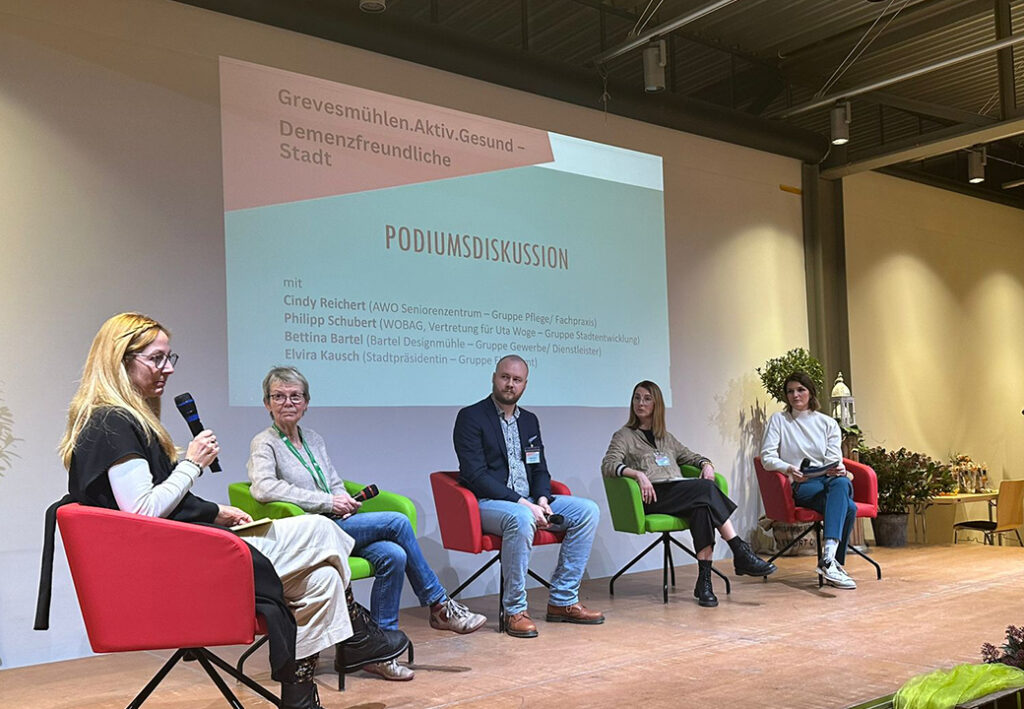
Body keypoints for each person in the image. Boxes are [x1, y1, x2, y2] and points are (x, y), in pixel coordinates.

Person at [55, 313, 409, 709]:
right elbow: (143, 511)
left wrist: (213, 512)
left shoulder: (118, 419)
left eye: (171, 358)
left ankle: (300, 695)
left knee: (323, 580)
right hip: (172, 571)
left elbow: (152, 505)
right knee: (321, 531)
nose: (168, 369)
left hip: (179, 553)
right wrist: (192, 464)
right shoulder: (111, 421)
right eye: (156, 359)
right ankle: (360, 635)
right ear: (120, 359)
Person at [248, 366, 487, 681]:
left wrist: (342, 501)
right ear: (267, 404)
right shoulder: (264, 442)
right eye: (278, 397)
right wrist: (327, 502)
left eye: (295, 396)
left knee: (393, 555)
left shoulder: (314, 438)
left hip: (336, 522)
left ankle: (380, 651)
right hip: (309, 533)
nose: (287, 402)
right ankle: (439, 604)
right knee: (398, 522)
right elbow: (264, 488)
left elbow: (332, 482)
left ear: (306, 402)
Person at [452, 354, 604, 638]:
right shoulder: (471, 417)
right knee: (521, 517)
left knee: (587, 510)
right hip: (487, 505)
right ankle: (515, 611)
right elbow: (476, 476)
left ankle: (563, 600)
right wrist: (525, 504)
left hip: (530, 502)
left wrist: (543, 500)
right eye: (505, 377)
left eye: (517, 380)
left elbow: (539, 469)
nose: (510, 384)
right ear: (494, 377)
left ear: (525, 384)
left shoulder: (530, 421)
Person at [601, 380, 776, 607]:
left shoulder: (666, 437)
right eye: (636, 398)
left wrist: (706, 464)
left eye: (646, 398)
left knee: (702, 508)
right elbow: (608, 464)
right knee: (705, 489)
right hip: (654, 496)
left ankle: (704, 583)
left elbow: (691, 457)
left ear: (657, 404)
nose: (640, 403)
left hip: (679, 492)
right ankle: (739, 550)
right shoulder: (624, 435)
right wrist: (637, 474)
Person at [759, 371, 858, 589]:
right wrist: (788, 468)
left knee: (842, 483)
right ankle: (834, 562)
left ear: (810, 392)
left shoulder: (828, 423)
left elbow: (833, 458)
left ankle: (829, 558)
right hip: (801, 484)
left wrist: (836, 469)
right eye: (790, 391)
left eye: (800, 390)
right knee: (848, 507)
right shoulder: (779, 420)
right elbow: (766, 457)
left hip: (826, 480)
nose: (795, 395)